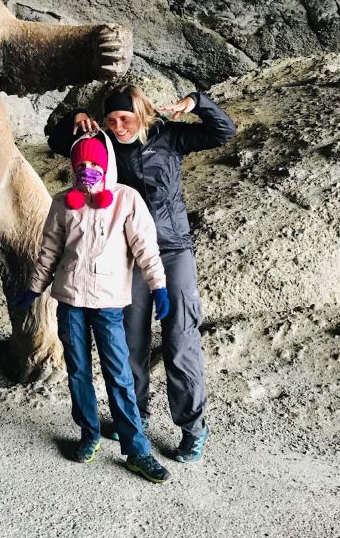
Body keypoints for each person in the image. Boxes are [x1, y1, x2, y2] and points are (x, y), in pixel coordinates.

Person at [47, 85, 236, 463]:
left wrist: (197, 102)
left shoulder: (169, 136)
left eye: (125, 118)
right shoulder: (103, 143)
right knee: (130, 341)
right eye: (111, 120)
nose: (118, 126)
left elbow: (224, 131)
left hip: (172, 250)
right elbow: (57, 142)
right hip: (126, 256)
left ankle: (193, 428)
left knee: (180, 340)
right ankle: (137, 415)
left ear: (142, 114)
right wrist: (75, 119)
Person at [15, 132, 172, 483]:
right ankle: (88, 432)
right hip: (70, 301)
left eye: (94, 163)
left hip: (108, 303)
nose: (87, 168)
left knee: (119, 374)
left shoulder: (126, 200)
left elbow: (146, 248)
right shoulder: (62, 203)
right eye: (81, 163)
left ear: (106, 164)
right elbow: (49, 251)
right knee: (78, 371)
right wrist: (34, 287)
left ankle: (137, 450)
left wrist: (158, 286)